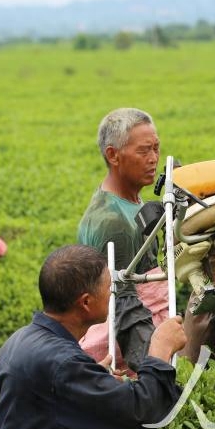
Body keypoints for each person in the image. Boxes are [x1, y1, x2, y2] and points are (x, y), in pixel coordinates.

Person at [0, 244, 186, 429]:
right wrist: (160, 349)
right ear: (85, 302)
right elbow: (138, 413)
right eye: (108, 288)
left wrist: (91, 380)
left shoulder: (18, 340)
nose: (111, 293)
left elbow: (41, 403)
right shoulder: (63, 365)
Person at [77, 108, 162, 371]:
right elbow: (124, 308)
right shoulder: (114, 223)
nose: (153, 159)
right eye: (143, 151)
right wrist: (152, 368)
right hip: (125, 348)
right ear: (113, 155)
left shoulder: (131, 199)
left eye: (156, 149)